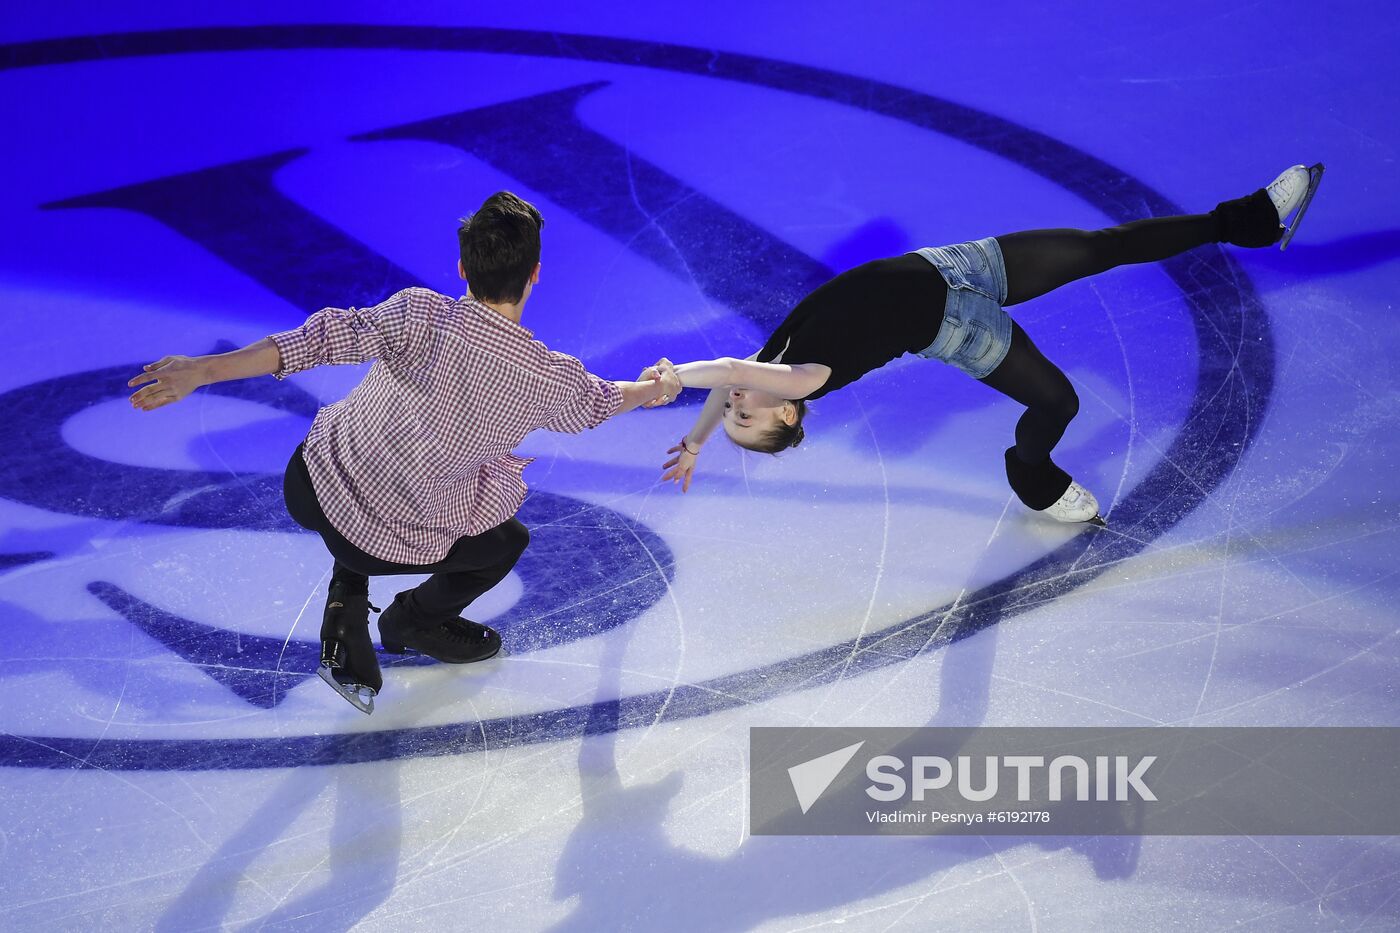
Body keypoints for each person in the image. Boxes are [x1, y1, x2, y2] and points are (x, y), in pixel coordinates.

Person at [127, 191, 682, 714]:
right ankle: (411, 624)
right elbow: (604, 401)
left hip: (307, 485)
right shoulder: (547, 378)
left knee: (377, 440)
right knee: (505, 541)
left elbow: (315, 342)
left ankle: (346, 598)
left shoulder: (418, 313)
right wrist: (655, 388)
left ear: (462, 269)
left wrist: (203, 370)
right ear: (535, 274)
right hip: (386, 543)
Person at [658, 165, 1323, 525]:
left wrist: (694, 441)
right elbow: (722, 371)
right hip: (960, 330)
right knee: (1058, 403)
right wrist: (669, 378)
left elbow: (723, 383)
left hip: (953, 267)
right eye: (749, 415)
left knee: (1100, 248)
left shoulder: (762, 371)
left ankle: (1253, 218)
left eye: (734, 413)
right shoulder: (799, 378)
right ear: (787, 413)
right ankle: (1030, 473)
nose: (738, 402)